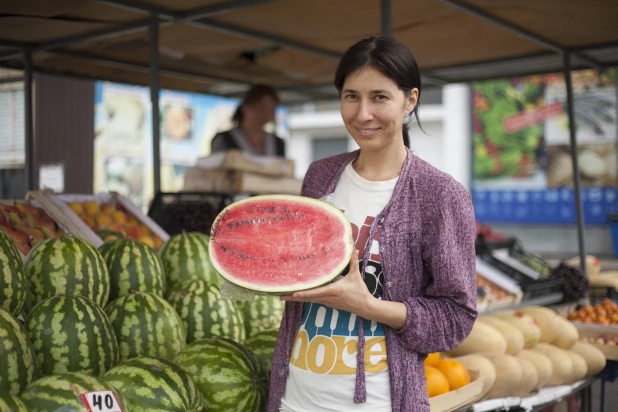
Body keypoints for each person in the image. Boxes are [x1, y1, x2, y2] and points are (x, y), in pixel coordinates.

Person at [268, 36, 478, 412]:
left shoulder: (440, 195)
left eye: (379, 97)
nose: (362, 113)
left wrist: (370, 306)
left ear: (410, 100)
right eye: (351, 96)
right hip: (294, 398)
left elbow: (455, 318)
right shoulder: (320, 176)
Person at [211, 84, 286, 157]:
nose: (266, 114)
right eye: (261, 108)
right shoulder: (224, 139)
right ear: (245, 107)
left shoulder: (277, 143)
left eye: (271, 110)